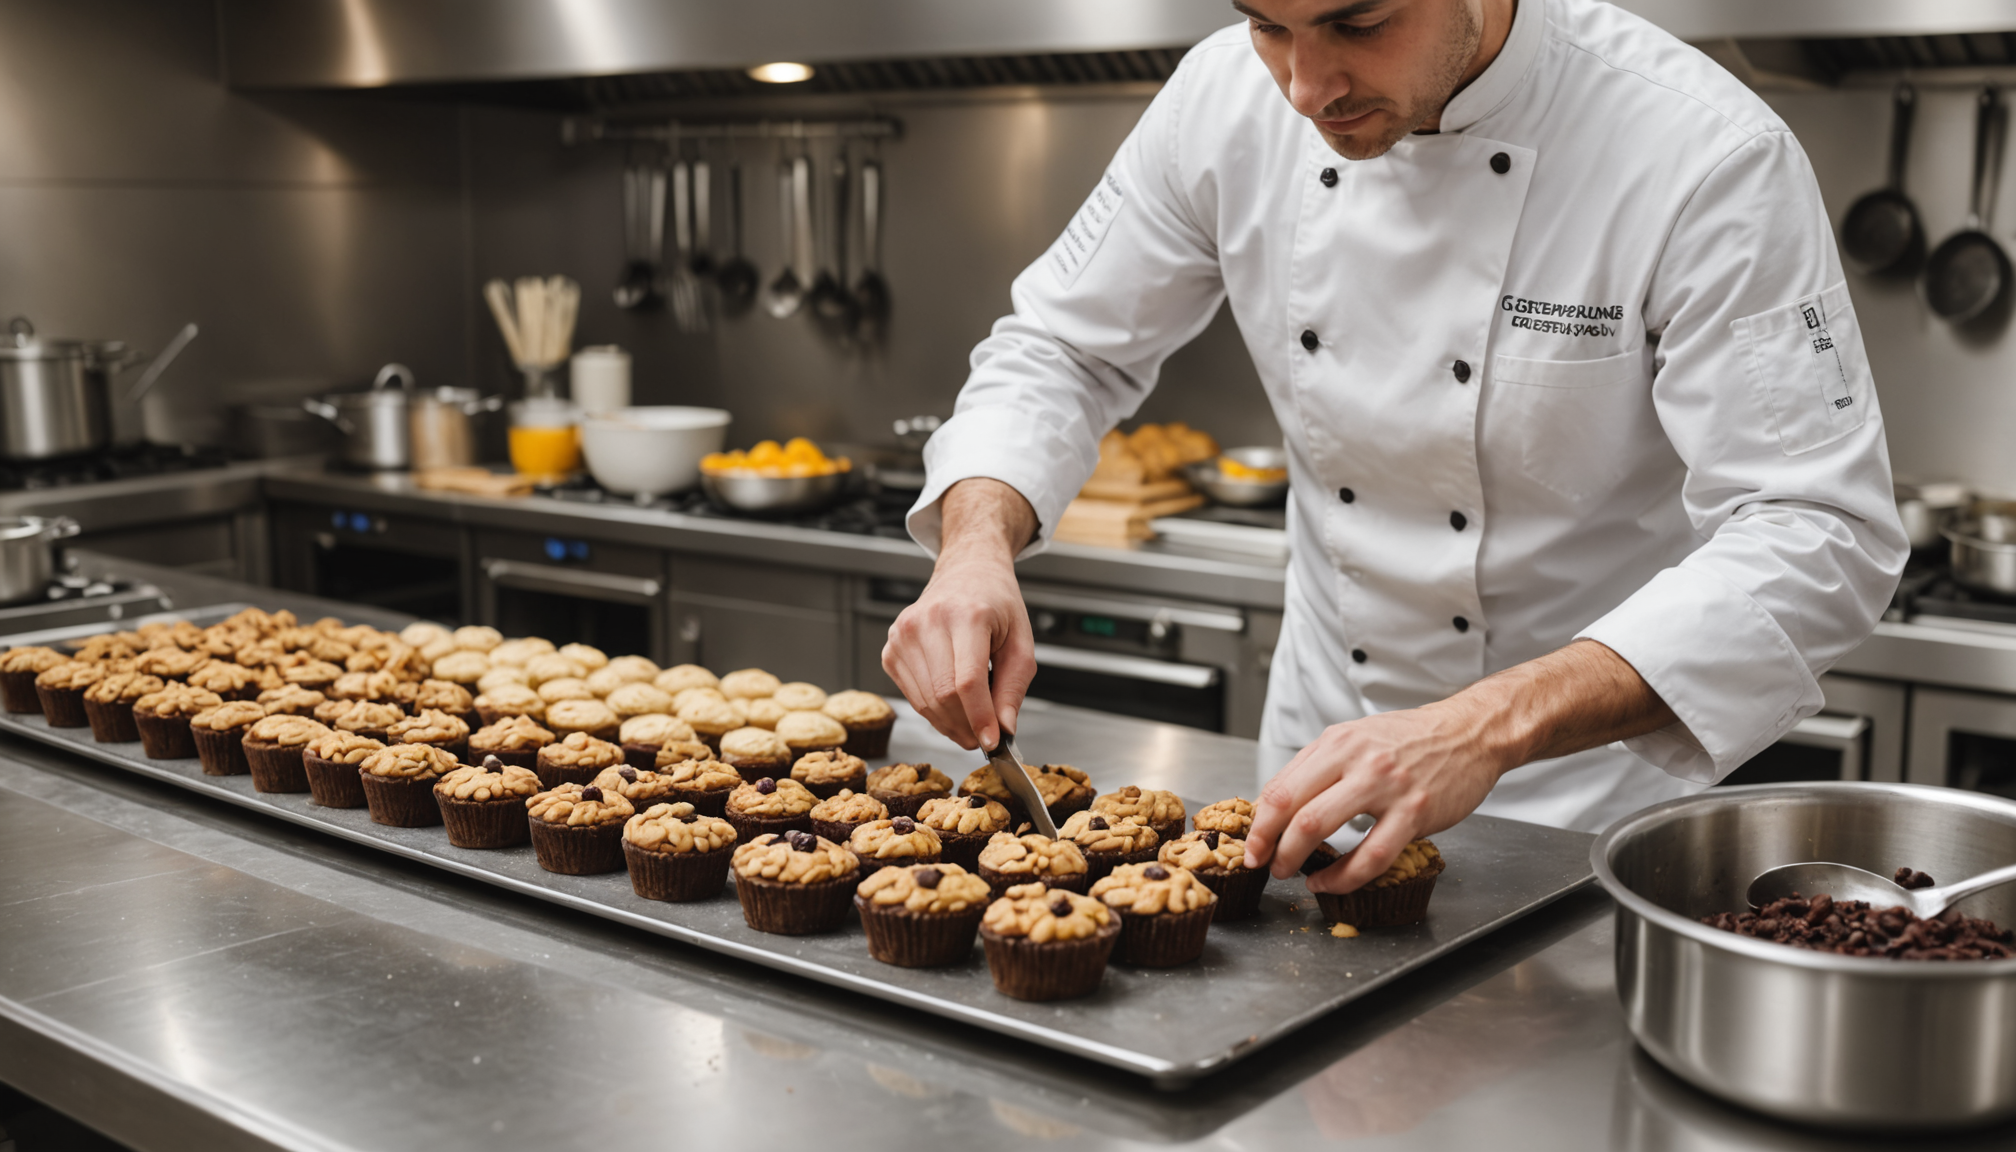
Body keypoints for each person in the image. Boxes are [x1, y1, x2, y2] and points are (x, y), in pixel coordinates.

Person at [881, 0, 1906, 896]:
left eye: (1359, 23)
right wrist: (974, 546)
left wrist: (1483, 725)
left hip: (1582, 800)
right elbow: (1062, 347)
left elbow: (1818, 530)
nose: (1305, 87)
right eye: (1267, 24)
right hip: (1311, 775)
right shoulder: (1220, 101)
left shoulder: (1703, 152)